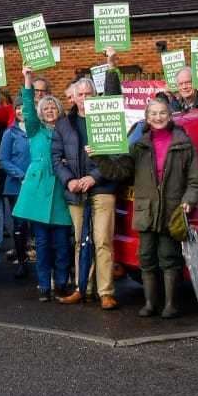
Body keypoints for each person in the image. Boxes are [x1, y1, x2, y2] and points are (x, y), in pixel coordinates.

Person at [94, 96, 198, 318]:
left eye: (162, 113)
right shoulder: (138, 146)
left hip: (172, 211)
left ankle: (171, 305)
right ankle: (151, 303)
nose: (158, 117)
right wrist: (99, 156)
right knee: (146, 258)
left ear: (170, 115)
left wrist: (189, 200)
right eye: (153, 113)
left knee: (169, 257)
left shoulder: (184, 144)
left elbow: (194, 181)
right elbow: (119, 172)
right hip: (146, 211)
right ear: (147, 117)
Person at [51, 71, 123, 311]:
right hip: (75, 191)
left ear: (96, 95)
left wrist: (93, 177)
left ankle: (105, 292)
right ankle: (83, 288)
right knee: (81, 241)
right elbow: (55, 157)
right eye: (79, 94)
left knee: (102, 240)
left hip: (102, 187)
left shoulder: (107, 117)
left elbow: (116, 154)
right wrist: (69, 180)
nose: (83, 98)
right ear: (73, 97)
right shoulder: (63, 124)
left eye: (88, 94)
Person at [12, 70, 74, 302]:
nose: (50, 111)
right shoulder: (35, 129)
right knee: (42, 244)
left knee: (61, 244)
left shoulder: (67, 130)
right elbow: (27, 106)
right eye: (46, 108)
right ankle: (43, 285)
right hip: (38, 192)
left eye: (53, 107)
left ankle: (60, 283)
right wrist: (27, 79)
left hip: (60, 189)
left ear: (59, 111)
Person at [0, 102, 32, 279]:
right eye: (18, 108)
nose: (21, 111)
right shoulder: (10, 133)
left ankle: (37, 258)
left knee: (37, 224)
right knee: (19, 225)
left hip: (37, 185)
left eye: (25, 107)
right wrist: (21, 175)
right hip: (16, 186)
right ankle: (22, 261)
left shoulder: (38, 130)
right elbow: (3, 160)